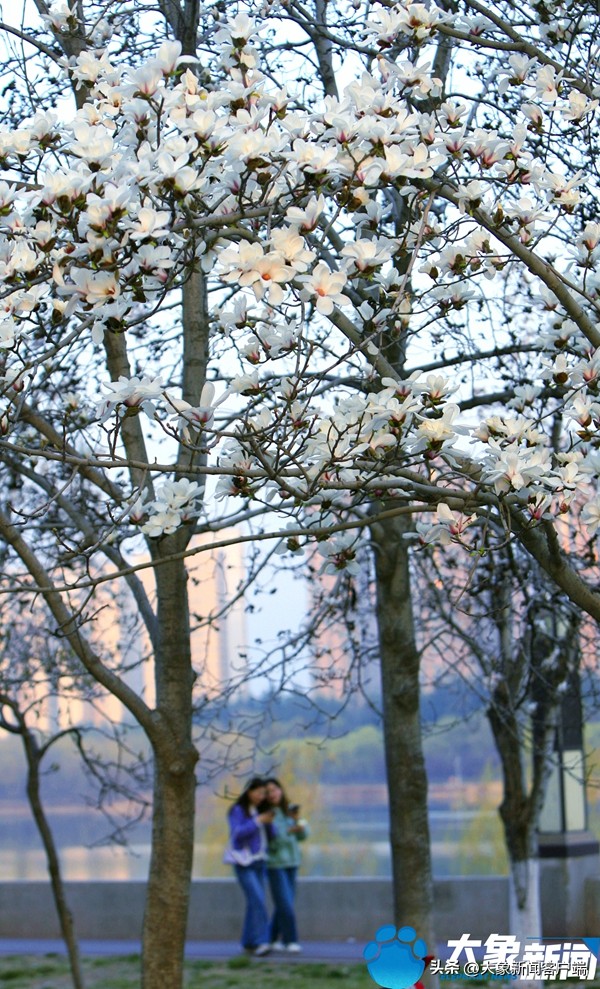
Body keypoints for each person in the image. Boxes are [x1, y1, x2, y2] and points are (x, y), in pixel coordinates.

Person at [224, 776, 276, 956]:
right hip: (244, 862)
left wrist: (269, 821)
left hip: (260, 861)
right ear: (249, 791)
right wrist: (258, 821)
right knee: (259, 901)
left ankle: (248, 942)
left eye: (264, 794)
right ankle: (262, 942)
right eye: (259, 792)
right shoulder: (238, 810)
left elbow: (271, 836)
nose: (261, 796)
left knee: (254, 902)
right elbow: (237, 833)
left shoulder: (261, 810)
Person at [264, 777, 309, 953]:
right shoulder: (267, 815)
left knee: (285, 903)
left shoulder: (288, 811)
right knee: (285, 903)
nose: (273, 794)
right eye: (268, 792)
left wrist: (299, 823)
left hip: (292, 862)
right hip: (275, 864)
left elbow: (303, 836)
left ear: (280, 790)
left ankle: (272, 938)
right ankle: (291, 940)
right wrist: (288, 831)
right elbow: (274, 840)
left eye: (275, 789)